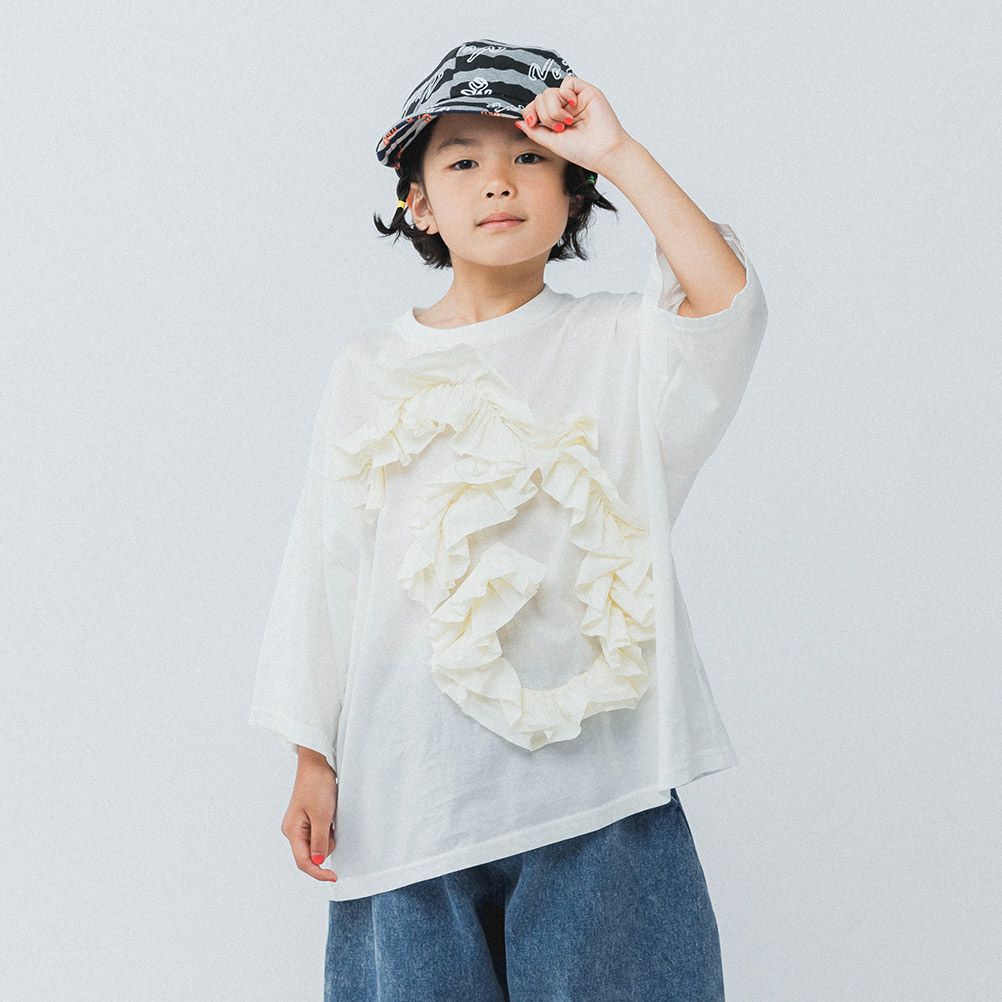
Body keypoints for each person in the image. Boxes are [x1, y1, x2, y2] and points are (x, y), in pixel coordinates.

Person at [249, 38, 769, 1002]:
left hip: (597, 790)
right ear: (418, 203)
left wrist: (617, 151)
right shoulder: (368, 368)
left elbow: (725, 302)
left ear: (572, 193)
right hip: (411, 795)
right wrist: (311, 755)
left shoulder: (616, 343)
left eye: (530, 156)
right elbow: (326, 564)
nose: (499, 181)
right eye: (462, 161)